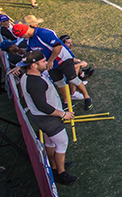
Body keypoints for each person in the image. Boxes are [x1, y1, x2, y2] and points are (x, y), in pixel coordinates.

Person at [18, 50, 78, 185]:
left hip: (42, 118)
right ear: (33, 65)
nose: (46, 63)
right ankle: (61, 174)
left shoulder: (27, 76)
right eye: (43, 61)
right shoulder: (35, 83)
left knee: (50, 143)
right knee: (62, 143)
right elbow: (42, 106)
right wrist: (63, 114)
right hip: (47, 119)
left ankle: (54, 166)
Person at [12, 23, 94, 111]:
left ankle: (87, 98)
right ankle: (67, 101)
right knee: (59, 83)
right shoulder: (29, 41)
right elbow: (30, 55)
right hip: (49, 63)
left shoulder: (43, 33)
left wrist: (51, 60)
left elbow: (58, 47)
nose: (23, 38)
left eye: (22, 36)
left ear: (25, 32)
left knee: (73, 79)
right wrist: (19, 65)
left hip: (62, 59)